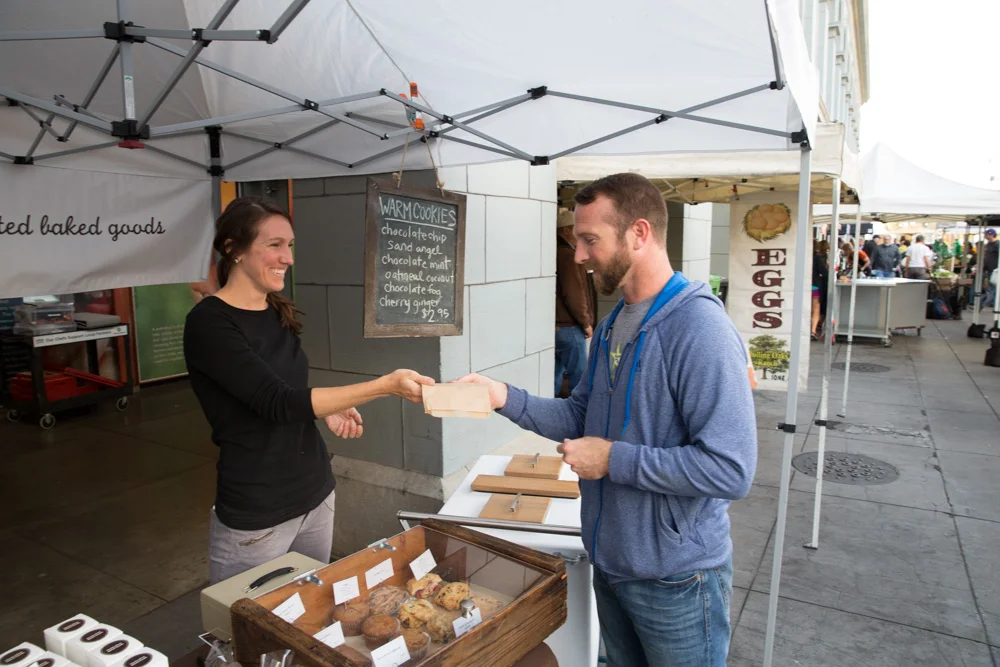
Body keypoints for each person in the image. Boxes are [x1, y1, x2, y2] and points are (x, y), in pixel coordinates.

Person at [459, 173, 756, 666]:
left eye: (589, 240)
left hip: (678, 579)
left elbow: (731, 469)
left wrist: (613, 459)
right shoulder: (614, 323)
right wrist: (503, 397)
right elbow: (581, 415)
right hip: (613, 565)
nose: (578, 255)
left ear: (638, 233)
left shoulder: (700, 328)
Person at [184, 197, 434, 584]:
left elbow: (286, 389)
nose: (288, 258)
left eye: (290, 245)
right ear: (234, 249)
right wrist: (385, 386)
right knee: (246, 618)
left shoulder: (275, 310)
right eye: (274, 245)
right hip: (259, 511)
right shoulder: (209, 323)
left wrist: (325, 407)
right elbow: (277, 402)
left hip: (316, 492)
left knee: (310, 609)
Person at [554, 209, 597, 397]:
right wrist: (586, 322)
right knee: (579, 378)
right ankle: (577, 415)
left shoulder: (555, 252)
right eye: (575, 230)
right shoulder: (568, 255)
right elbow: (574, 294)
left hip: (558, 326)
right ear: (565, 230)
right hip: (570, 326)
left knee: (554, 376)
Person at [981, 228, 998, 311]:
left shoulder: (997, 244)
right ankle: (989, 304)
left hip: (995, 271)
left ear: (992, 235)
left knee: (991, 289)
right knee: (990, 289)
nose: (985, 236)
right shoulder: (988, 244)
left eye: (987, 234)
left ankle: (981, 305)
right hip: (987, 270)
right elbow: (987, 255)